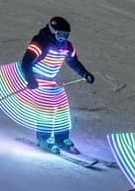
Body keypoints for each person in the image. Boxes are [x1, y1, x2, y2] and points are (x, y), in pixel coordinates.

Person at [19, 16, 94, 153]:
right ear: (52, 31)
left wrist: (85, 74)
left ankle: (62, 138)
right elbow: (26, 63)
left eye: (65, 35)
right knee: (47, 108)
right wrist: (30, 79)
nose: (62, 38)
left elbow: (73, 62)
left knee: (62, 107)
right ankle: (44, 138)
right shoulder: (40, 42)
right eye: (60, 34)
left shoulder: (66, 46)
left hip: (51, 81)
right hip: (37, 80)